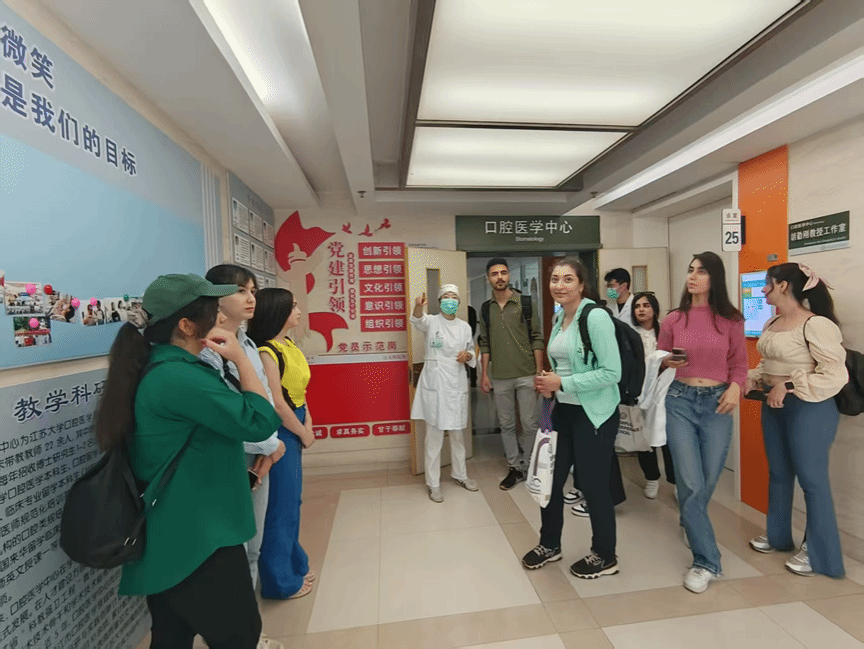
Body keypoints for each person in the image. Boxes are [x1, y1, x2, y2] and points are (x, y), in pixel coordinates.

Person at [108, 273, 281, 649]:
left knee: (172, 635)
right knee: (239, 636)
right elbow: (260, 420)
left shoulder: (160, 367)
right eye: (212, 310)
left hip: (174, 531)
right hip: (200, 539)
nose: (220, 316)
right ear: (186, 325)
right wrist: (239, 358)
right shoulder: (179, 378)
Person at [746, 263, 848, 578]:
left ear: (783, 286)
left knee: (812, 481)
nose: (763, 289)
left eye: (767, 283)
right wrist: (754, 377)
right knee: (778, 473)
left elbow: (835, 374)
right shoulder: (773, 322)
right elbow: (769, 362)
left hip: (810, 408)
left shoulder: (816, 324)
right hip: (773, 405)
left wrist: (789, 385)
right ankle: (778, 537)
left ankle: (818, 554)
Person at [523, 258, 622, 579]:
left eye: (568, 279)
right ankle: (549, 544)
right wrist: (549, 382)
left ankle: (605, 555)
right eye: (555, 279)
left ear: (581, 285)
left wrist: (562, 383)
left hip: (594, 413)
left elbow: (612, 372)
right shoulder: (559, 317)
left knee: (593, 486)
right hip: (562, 410)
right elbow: (563, 365)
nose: (559, 285)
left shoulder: (595, 317)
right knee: (550, 481)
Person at [659, 252, 747, 594]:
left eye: (701, 271)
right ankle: (706, 561)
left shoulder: (731, 320)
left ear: (715, 278)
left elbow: (739, 364)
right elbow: (659, 359)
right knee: (691, 481)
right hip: (679, 400)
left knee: (707, 479)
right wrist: (666, 360)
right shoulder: (674, 319)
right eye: (690, 270)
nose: (693, 276)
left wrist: (736, 388)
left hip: (717, 403)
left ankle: (689, 517)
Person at [199, 265, 286, 594]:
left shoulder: (247, 344)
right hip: (231, 456)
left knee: (253, 547)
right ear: (215, 298)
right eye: (240, 291)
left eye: (253, 291)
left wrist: (269, 448)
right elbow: (225, 412)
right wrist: (270, 446)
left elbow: (263, 400)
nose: (251, 298)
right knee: (233, 550)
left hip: (259, 454)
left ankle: (248, 619)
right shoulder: (208, 348)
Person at [247, 288, 316, 600]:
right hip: (283, 431)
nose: (299, 311)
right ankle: (279, 582)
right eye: (293, 306)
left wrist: (307, 422)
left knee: (292, 502)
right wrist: (302, 432)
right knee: (281, 507)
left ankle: (294, 563)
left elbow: (298, 392)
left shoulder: (288, 344)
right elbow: (277, 403)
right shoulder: (266, 352)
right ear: (278, 312)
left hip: (296, 422)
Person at [478, 258, 544, 491]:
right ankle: (515, 468)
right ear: (488, 278)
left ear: (508, 275)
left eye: (503, 272)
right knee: (506, 425)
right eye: (494, 273)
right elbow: (484, 343)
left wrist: (538, 372)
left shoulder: (524, 303)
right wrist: (484, 374)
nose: (500, 277)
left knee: (529, 424)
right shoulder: (486, 309)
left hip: (526, 373)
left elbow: (537, 337)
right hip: (500, 375)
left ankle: (531, 465)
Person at [410, 285, 479, 502]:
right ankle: (433, 484)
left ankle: (461, 475)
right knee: (434, 437)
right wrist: (418, 307)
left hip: (456, 384)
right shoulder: (431, 322)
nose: (450, 300)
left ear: (459, 302)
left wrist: (468, 356)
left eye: (454, 297)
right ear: (440, 302)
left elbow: (471, 350)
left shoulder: (464, 326)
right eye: (446, 297)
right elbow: (417, 320)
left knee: (458, 436)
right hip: (436, 385)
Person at [631, 292, 675, 498]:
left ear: (655, 309)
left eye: (646, 305)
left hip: (666, 392)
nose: (641, 309)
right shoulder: (630, 335)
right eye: (637, 306)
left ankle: (676, 481)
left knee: (669, 439)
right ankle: (651, 478)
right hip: (641, 392)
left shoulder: (666, 332)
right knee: (644, 437)